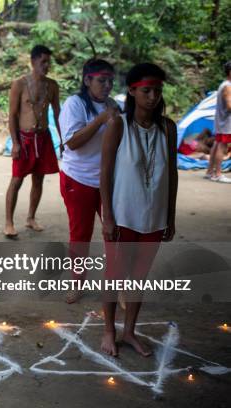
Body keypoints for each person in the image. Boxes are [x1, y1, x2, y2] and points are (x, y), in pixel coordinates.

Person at [100, 63, 178, 357]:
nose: (153, 96)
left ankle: (129, 331)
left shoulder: (167, 128)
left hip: (154, 218)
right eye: (146, 90)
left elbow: (172, 175)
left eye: (157, 91)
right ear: (132, 91)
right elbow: (104, 174)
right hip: (122, 217)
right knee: (115, 274)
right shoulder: (118, 125)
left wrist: (170, 216)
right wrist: (108, 216)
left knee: (139, 276)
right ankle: (109, 330)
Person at [58, 59, 118, 303]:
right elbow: (71, 142)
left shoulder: (114, 105)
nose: (107, 86)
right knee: (80, 234)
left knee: (114, 233)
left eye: (110, 81)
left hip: (110, 181)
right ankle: (77, 283)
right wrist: (101, 119)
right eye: (102, 80)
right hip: (78, 178)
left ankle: (115, 287)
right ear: (87, 80)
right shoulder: (75, 104)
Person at [4, 45, 61, 237]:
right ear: (33, 62)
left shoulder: (52, 86)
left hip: (44, 138)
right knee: (17, 180)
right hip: (24, 139)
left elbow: (58, 114)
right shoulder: (19, 84)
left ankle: (30, 218)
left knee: (39, 179)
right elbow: (12, 115)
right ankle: (9, 223)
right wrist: (15, 143)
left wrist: (64, 139)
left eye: (48, 62)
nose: (47, 66)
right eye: (43, 62)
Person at [205, 61, 231, 183]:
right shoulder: (228, 86)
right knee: (222, 146)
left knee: (217, 144)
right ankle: (218, 174)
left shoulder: (224, 84)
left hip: (221, 122)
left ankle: (210, 172)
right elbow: (230, 106)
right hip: (226, 123)